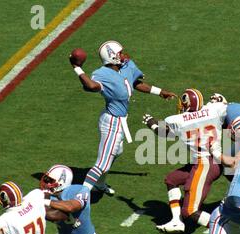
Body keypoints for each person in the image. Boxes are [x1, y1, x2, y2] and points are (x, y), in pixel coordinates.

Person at [70, 40, 177, 196]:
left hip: (120, 121)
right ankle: (82, 195)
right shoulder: (102, 74)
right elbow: (91, 86)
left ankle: (99, 184)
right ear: (112, 56)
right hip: (112, 121)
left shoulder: (125, 67)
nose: (123, 55)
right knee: (103, 164)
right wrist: (77, 68)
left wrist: (160, 92)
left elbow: (135, 83)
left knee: (117, 151)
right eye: (119, 53)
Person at [142, 89, 239, 234]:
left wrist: (152, 123)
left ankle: (227, 230)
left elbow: (166, 133)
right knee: (172, 179)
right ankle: (176, 221)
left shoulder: (177, 120)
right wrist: (220, 100)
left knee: (190, 211)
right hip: (214, 160)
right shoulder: (213, 109)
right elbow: (226, 106)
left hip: (204, 165)